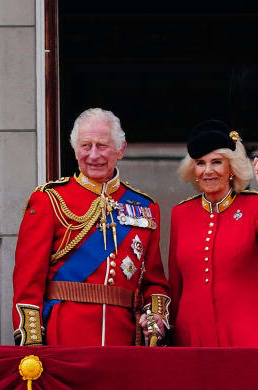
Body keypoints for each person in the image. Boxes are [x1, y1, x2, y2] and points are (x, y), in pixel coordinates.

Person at [12, 108, 169, 346]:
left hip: (123, 339)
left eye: (102, 146)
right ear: (75, 150)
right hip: (64, 336)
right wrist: (32, 344)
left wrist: (155, 319)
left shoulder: (146, 207)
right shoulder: (50, 200)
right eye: (86, 146)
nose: (93, 155)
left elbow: (154, 282)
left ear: (120, 150)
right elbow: (27, 282)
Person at [169, 121, 258, 346]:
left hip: (246, 331)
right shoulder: (181, 213)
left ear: (231, 169)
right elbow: (175, 283)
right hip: (192, 335)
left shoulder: (254, 204)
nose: (208, 170)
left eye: (216, 162)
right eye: (200, 163)